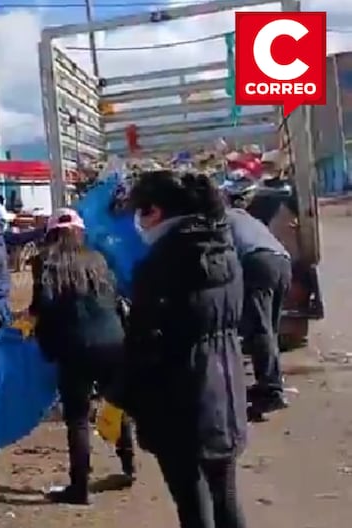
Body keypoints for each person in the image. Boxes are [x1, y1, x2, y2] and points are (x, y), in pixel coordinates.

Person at [119, 170, 248, 528]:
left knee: (192, 505)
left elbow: (144, 342)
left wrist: (124, 393)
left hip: (179, 400)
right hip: (225, 389)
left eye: (139, 212)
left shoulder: (162, 265)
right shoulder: (224, 249)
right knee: (226, 496)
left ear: (155, 211)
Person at [29, 208, 134, 505]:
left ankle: (80, 487)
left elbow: (42, 308)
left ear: (51, 233)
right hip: (113, 340)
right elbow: (113, 296)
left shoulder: (46, 262)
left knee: (77, 418)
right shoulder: (98, 259)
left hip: (74, 347)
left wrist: (41, 341)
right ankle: (128, 465)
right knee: (115, 404)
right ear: (80, 231)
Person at [224, 206, 291, 421]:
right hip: (282, 261)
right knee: (269, 330)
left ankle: (271, 391)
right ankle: (272, 383)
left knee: (260, 330)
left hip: (258, 263)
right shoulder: (243, 216)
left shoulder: (216, 219)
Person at [0, 201, 45, 367]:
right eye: (1, 222)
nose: (4, 225)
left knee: (2, 335)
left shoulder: (0, 238)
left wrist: (44, 230)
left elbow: (20, 238)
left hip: (1, 298)